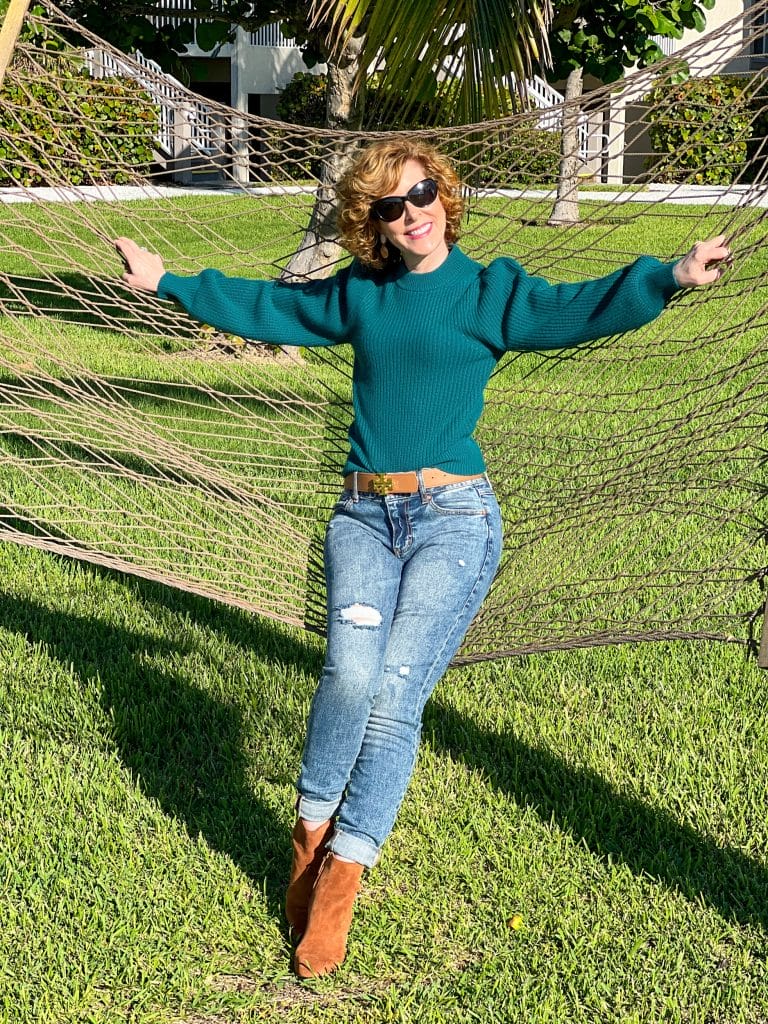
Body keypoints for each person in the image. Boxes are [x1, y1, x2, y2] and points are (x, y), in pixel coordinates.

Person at [115, 137, 731, 979]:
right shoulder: (363, 295)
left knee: (398, 689)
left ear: (447, 193)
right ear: (372, 224)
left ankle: (344, 876)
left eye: (424, 193)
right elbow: (272, 308)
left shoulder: (490, 292)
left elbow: (582, 305)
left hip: (455, 518)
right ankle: (309, 837)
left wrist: (670, 275)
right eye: (391, 207)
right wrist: (170, 283)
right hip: (363, 518)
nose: (413, 214)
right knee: (350, 676)